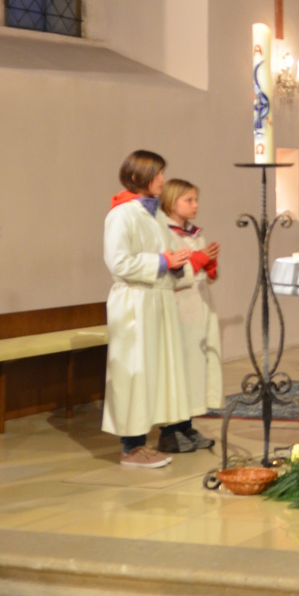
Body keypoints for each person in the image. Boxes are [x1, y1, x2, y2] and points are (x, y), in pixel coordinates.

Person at [103, 150, 195, 468]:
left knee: (154, 372)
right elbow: (118, 262)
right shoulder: (121, 214)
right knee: (135, 372)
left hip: (155, 299)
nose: (163, 180)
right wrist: (162, 261)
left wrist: (176, 262)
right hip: (134, 302)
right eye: (158, 173)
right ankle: (131, 448)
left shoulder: (153, 214)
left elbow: (163, 254)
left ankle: (147, 440)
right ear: (136, 176)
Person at [160, 178, 221, 453]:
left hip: (199, 306)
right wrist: (197, 261)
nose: (195, 205)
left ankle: (186, 425)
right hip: (177, 308)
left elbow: (204, 273)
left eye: (196, 200)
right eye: (189, 200)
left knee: (195, 367)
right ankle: (169, 431)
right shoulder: (163, 233)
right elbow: (168, 275)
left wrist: (210, 265)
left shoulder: (195, 233)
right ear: (172, 202)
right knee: (177, 367)